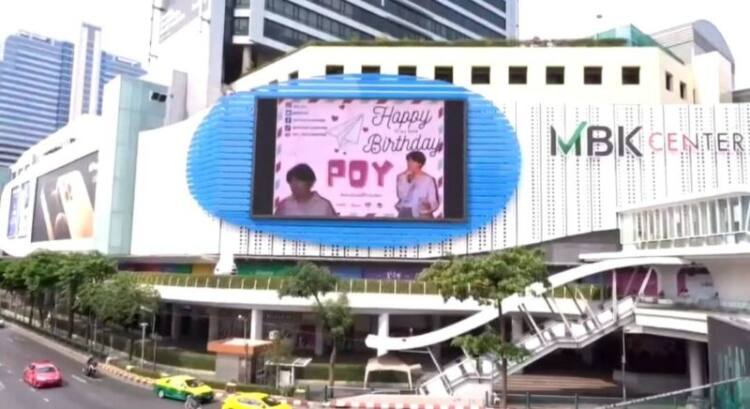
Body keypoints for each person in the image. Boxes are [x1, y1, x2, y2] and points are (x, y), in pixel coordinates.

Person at [395, 151, 440, 219]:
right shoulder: (402, 177)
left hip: (423, 212)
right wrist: (408, 181)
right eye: (408, 161)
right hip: (406, 211)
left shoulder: (428, 179)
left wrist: (429, 205)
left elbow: (433, 200)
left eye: (412, 161)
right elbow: (402, 195)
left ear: (420, 163)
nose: (409, 164)